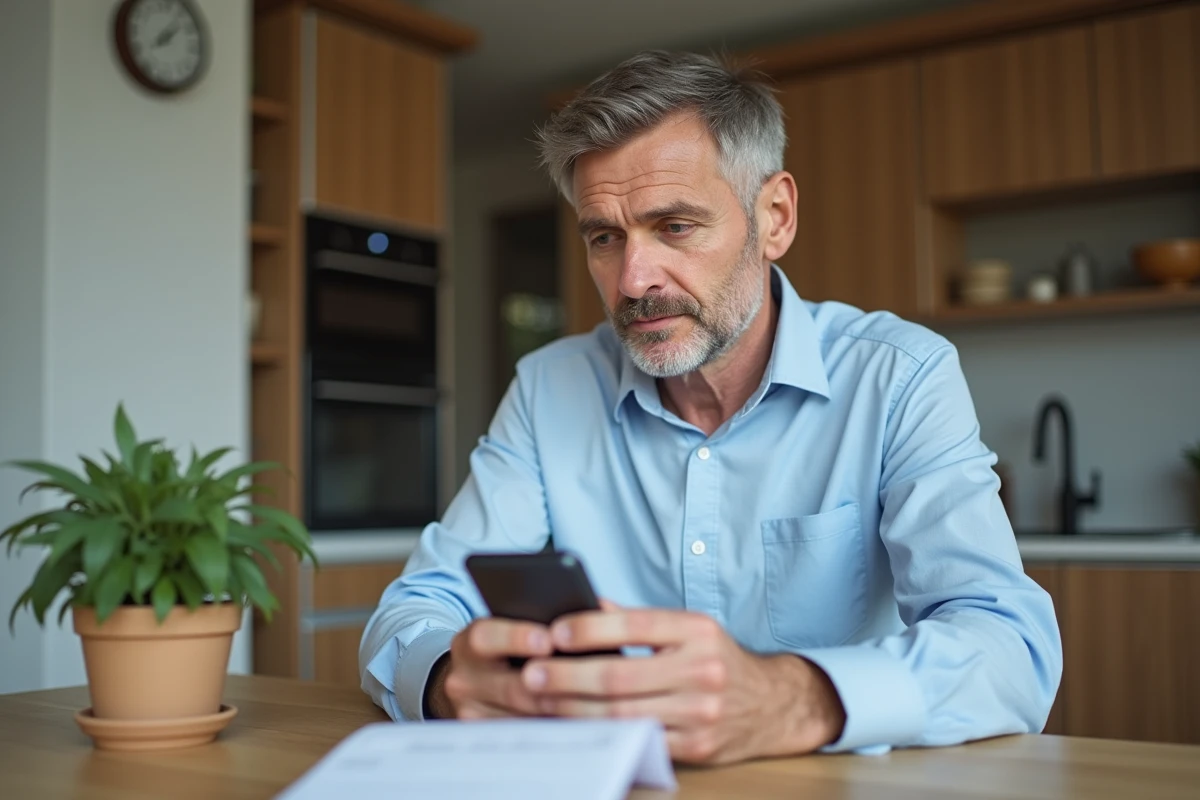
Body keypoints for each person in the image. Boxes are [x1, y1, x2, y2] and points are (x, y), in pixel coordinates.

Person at [359, 50, 1062, 764]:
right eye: (604, 237)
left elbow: (1012, 650)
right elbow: (411, 613)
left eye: (676, 227)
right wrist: (453, 682)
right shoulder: (549, 389)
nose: (633, 280)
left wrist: (793, 698)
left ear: (775, 218)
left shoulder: (899, 377)